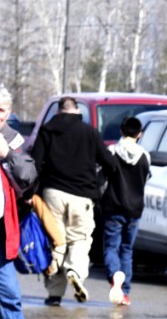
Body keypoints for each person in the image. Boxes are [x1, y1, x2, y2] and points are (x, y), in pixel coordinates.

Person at [30, 96, 116, 306]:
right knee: (80, 239)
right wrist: (99, 181)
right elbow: (110, 162)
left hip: (52, 194)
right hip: (82, 195)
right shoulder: (89, 132)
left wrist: (34, 193)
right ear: (77, 111)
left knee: (56, 240)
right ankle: (75, 271)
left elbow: (35, 163)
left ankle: (54, 294)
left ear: (59, 111)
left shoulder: (47, 130)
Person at [0, 87, 52, 319]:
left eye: (2, 111)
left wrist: (7, 155)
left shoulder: (12, 138)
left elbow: (30, 174)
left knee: (11, 301)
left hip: (2, 239)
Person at [101, 115, 150, 307]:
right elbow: (145, 180)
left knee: (111, 247)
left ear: (121, 131)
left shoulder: (112, 152)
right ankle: (125, 292)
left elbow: (103, 178)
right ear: (140, 134)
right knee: (127, 249)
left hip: (113, 206)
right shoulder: (145, 156)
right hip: (135, 209)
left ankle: (115, 278)